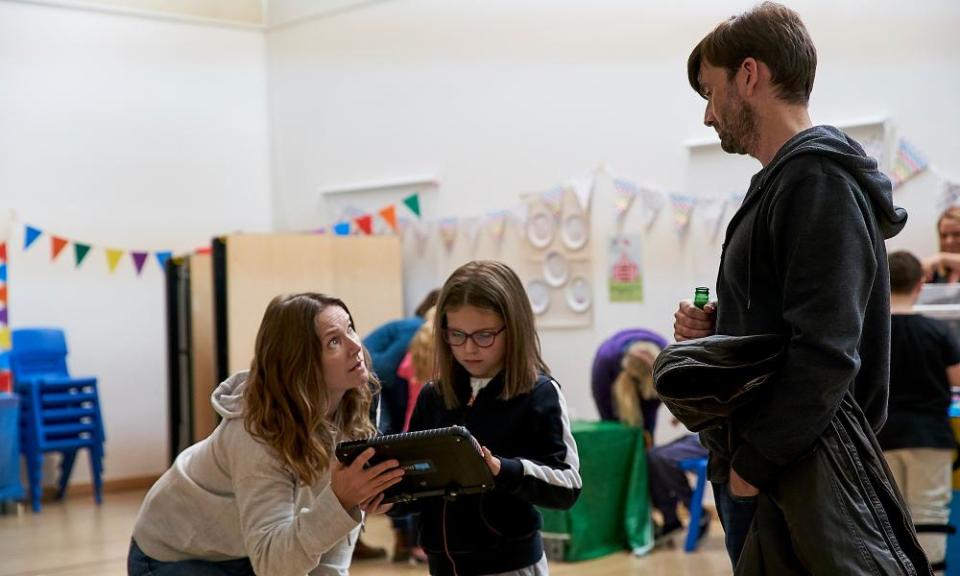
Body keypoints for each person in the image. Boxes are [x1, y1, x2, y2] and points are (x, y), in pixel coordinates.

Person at [674, 3, 928, 573]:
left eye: (711, 93)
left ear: (748, 74)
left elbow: (827, 351)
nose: (710, 116)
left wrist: (754, 465)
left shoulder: (817, 182)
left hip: (793, 472)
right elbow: (790, 330)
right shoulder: (788, 182)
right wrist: (719, 330)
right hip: (775, 469)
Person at [128, 293, 404, 576]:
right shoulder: (256, 434)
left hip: (251, 549)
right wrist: (341, 500)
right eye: (334, 341)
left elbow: (330, 552)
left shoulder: (354, 403)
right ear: (300, 363)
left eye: (350, 329)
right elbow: (274, 565)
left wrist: (346, 501)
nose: (356, 346)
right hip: (175, 556)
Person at [405, 260, 581, 576]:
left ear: (513, 328)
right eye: (456, 334)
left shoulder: (538, 392)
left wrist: (502, 470)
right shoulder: (434, 395)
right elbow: (420, 487)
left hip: (511, 565)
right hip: (441, 566)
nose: (469, 349)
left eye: (484, 335)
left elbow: (567, 485)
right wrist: (389, 498)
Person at [879, 251, 960, 572]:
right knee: (929, 515)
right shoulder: (938, 332)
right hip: (930, 437)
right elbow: (956, 380)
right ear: (921, 283)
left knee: (885, 517)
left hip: (880, 437)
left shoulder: (870, 334)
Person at [591, 330, 709, 544]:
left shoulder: (666, 356)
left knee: (654, 457)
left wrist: (683, 410)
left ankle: (687, 514)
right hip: (703, 437)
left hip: (709, 439)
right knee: (652, 457)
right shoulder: (607, 363)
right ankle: (670, 518)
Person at [923, 207, 960, 283]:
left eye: (957, 234)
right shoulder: (935, 273)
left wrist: (942, 258)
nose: (949, 241)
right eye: (944, 235)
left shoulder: (940, 260)